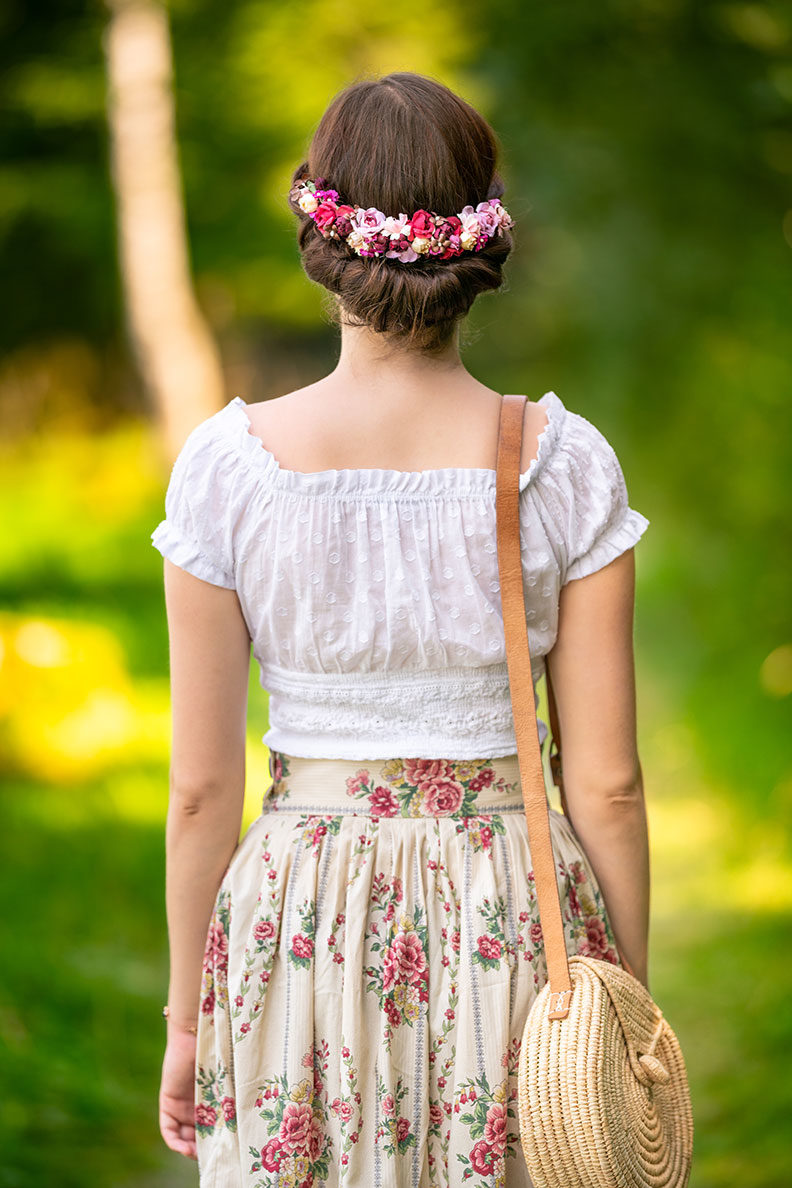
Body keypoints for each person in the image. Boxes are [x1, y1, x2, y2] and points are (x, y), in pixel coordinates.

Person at [151, 71, 651, 1188]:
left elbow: (199, 794)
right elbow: (607, 785)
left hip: (299, 916)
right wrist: (627, 1016)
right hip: (511, 911)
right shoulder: (566, 468)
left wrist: (189, 1021)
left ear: (321, 241)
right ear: (479, 247)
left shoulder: (229, 473)